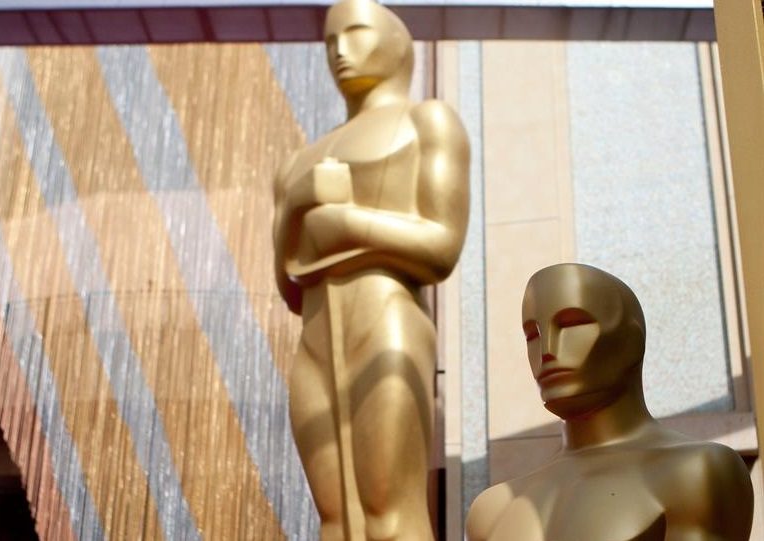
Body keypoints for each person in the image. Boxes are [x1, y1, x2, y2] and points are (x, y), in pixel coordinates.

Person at [272, 0, 469, 539]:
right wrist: (295, 204)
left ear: (398, 42)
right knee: (334, 519)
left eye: (357, 33)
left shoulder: (425, 120)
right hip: (314, 339)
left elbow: (442, 246)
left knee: (389, 510)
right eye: (330, 41)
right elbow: (289, 285)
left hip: (386, 321)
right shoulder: (296, 164)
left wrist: (348, 224)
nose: (341, 50)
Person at [466, 263, 753, 541]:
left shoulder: (695, 473)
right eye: (533, 335)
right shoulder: (491, 510)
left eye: (573, 325)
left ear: (631, 340)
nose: (547, 350)